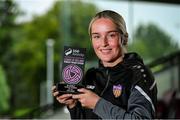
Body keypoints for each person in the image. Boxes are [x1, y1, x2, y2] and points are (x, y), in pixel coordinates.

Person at [52, 10, 157, 119]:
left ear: (124, 38)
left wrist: (97, 104)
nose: (104, 43)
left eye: (111, 35)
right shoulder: (91, 76)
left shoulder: (139, 74)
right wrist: (73, 105)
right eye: (97, 36)